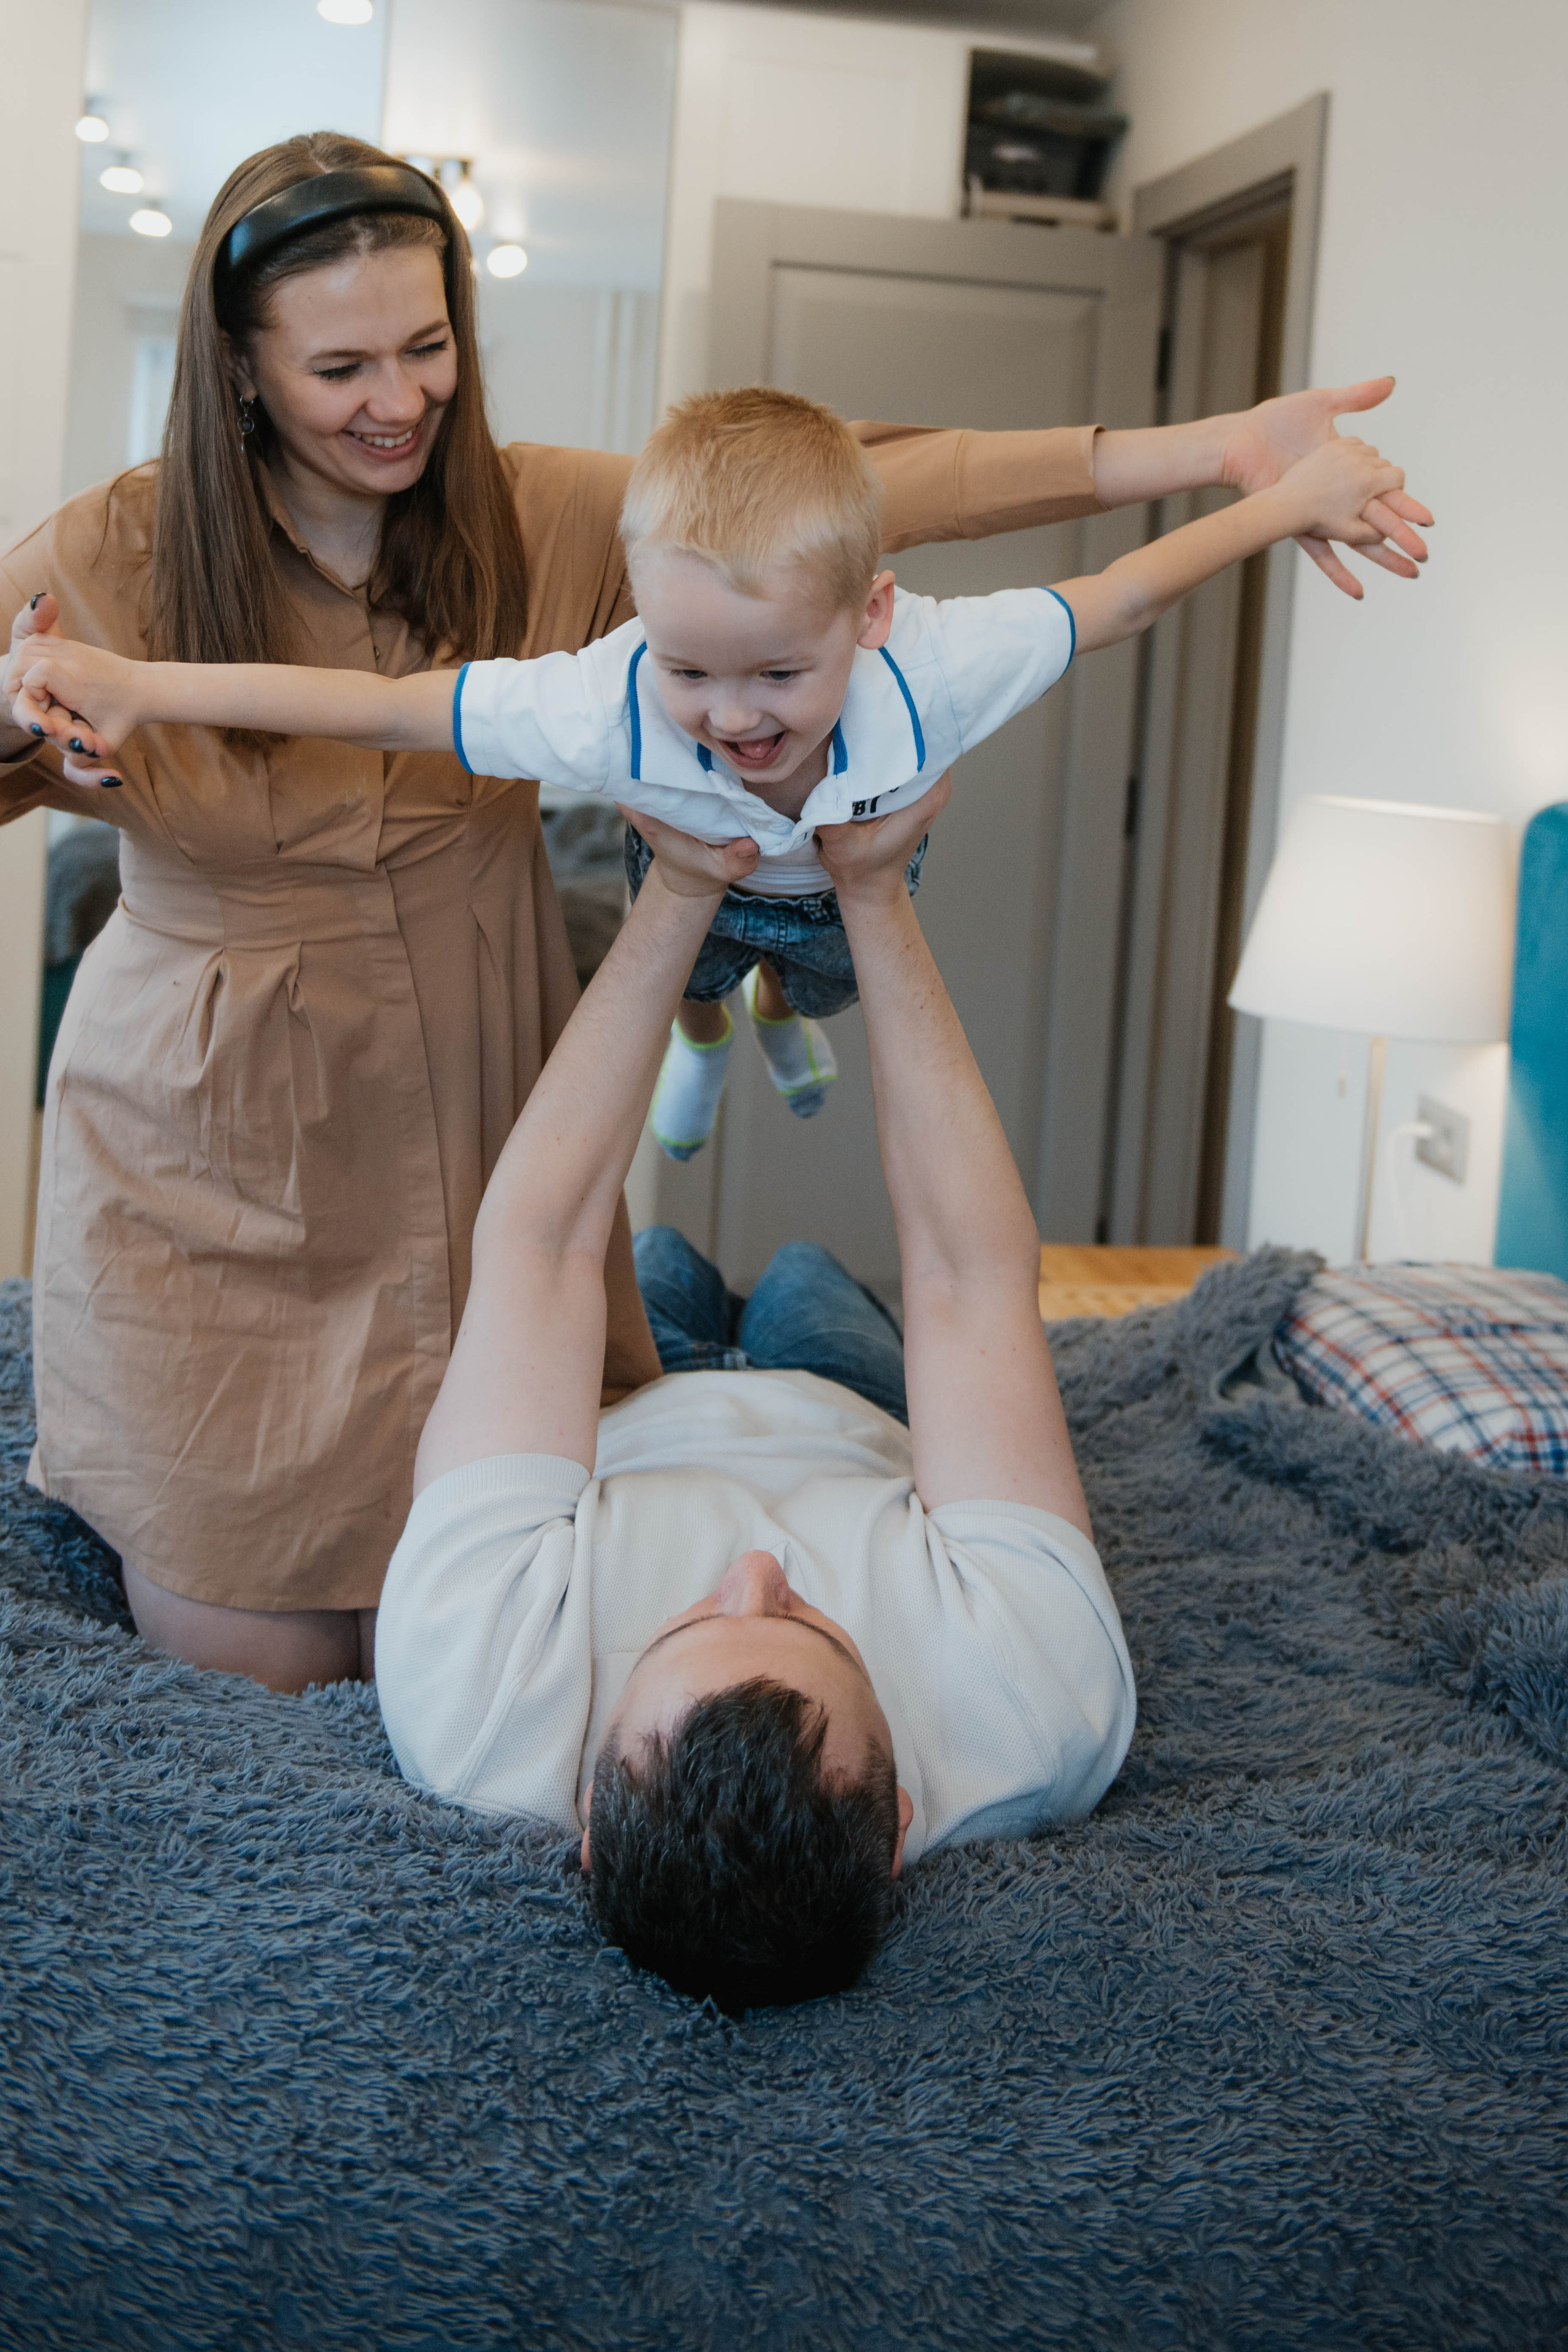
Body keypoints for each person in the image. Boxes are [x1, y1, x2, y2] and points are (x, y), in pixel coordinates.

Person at [0, 125, 1430, 1694]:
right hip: (215, 1146)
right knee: (261, 1675)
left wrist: (1222, 453)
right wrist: (25, 731)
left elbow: (860, 492)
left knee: (494, 1644)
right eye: (342, 366)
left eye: (429, 347)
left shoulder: (530, 519)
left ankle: (727, 1308)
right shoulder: (107, 553)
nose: (400, 400)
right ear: (239, 370)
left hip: (479, 1106)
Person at [19, 387, 1409, 1165]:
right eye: (688, 669)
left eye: (774, 678)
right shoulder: (608, 698)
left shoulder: (934, 663)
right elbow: (380, 707)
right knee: (693, 977)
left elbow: (1121, 596)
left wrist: (1277, 499)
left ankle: (779, 1020)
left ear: (869, 616)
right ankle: (708, 1033)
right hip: (684, 878)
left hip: (839, 899)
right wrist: (144, 685)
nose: (729, 719)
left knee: (805, 983)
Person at [371, 773, 1134, 2011]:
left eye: (683, 1626)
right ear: (896, 1822)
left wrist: (679, 886)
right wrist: (874, 894)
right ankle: (790, 1272)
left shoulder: (472, 1700)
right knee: (802, 1277)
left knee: (653, 1267)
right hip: (852, 1416)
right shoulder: (1037, 1711)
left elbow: (542, 1246)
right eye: (809, 1628)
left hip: (626, 1400)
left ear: (581, 1810)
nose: (755, 1568)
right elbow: (963, 1276)